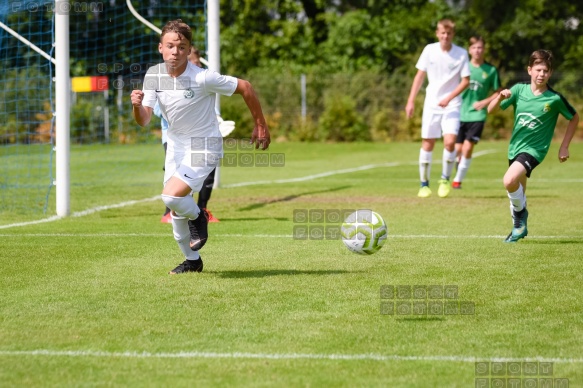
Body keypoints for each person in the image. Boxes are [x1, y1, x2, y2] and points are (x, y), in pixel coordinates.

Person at [131, 19, 271, 274]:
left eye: (182, 47)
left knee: (171, 196)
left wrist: (260, 124)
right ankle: (192, 261)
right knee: (175, 207)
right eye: (171, 46)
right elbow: (144, 120)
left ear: (188, 50)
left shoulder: (202, 77)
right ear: (160, 48)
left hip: (205, 144)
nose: (176, 51)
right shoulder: (153, 75)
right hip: (175, 145)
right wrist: (137, 106)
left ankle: (199, 215)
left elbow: (246, 87)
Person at [487, 49, 578, 243]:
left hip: (535, 150)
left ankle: (520, 220)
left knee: (509, 180)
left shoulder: (554, 99)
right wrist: (499, 98)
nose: (541, 74)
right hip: (515, 148)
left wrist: (564, 146)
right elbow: (491, 111)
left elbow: (574, 117)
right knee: (518, 191)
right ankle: (518, 228)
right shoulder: (519, 90)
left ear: (550, 73)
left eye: (545, 71)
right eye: (538, 70)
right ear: (529, 70)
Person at [406, 19, 470, 198]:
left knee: (450, 142)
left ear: (453, 35)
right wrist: (410, 101)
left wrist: (449, 97)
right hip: (432, 104)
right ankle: (424, 184)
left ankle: (444, 179)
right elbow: (419, 76)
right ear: (437, 33)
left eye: (449, 33)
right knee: (428, 143)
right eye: (442, 33)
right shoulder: (429, 50)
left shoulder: (461, 53)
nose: (445, 36)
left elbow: (466, 80)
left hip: (452, 104)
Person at [156, 46, 221, 224]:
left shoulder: (201, 80)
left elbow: (209, 109)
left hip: (202, 139)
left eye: (197, 62)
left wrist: (218, 119)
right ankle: (170, 212)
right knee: (176, 177)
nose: (195, 65)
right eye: (193, 62)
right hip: (174, 139)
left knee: (208, 172)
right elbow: (156, 109)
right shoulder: (164, 79)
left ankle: (202, 210)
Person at [452, 35, 502, 189]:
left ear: (484, 49)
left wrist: (484, 102)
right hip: (459, 112)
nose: (477, 50)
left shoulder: (491, 70)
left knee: (467, 148)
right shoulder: (463, 66)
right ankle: (457, 163)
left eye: (480, 47)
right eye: (474, 47)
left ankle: (457, 181)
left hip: (477, 115)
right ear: (469, 50)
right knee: (457, 149)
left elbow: (498, 91)